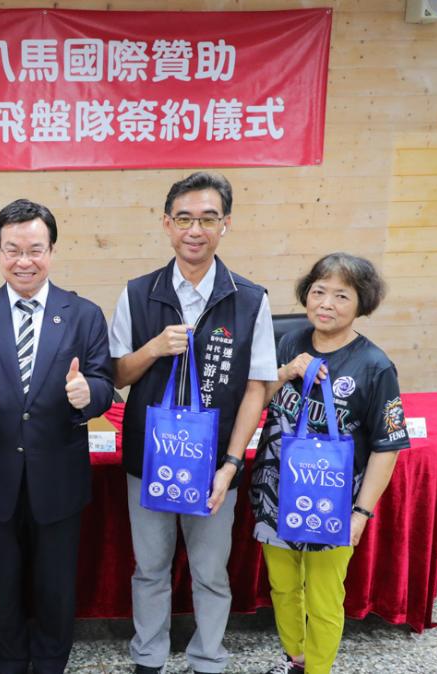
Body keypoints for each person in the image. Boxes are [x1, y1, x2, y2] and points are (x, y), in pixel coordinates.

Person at [110, 172, 277, 674]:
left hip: (214, 463)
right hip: (150, 457)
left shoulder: (250, 298)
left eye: (208, 219)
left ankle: (208, 656)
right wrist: (153, 348)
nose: (195, 230)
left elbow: (257, 387)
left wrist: (230, 465)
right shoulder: (138, 293)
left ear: (225, 224)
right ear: (167, 224)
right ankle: (148, 655)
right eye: (184, 219)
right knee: (150, 567)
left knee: (210, 570)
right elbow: (116, 375)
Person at [0, 199, 114, 674]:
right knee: (3, 582)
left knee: (55, 584)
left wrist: (89, 394)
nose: (24, 261)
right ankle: (10, 661)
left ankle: (52, 661)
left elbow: (104, 384)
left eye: (35, 249)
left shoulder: (83, 314)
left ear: (52, 251)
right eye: (12, 250)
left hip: (58, 474)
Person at [250, 253, 409, 674]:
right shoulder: (290, 343)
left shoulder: (375, 366)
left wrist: (360, 513)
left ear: (361, 303)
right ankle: (296, 659)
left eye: (341, 295)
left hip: (332, 504)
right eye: (319, 291)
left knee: (323, 596)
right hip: (276, 492)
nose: (326, 303)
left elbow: (388, 446)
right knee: (283, 587)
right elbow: (255, 404)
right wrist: (285, 372)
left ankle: (318, 669)